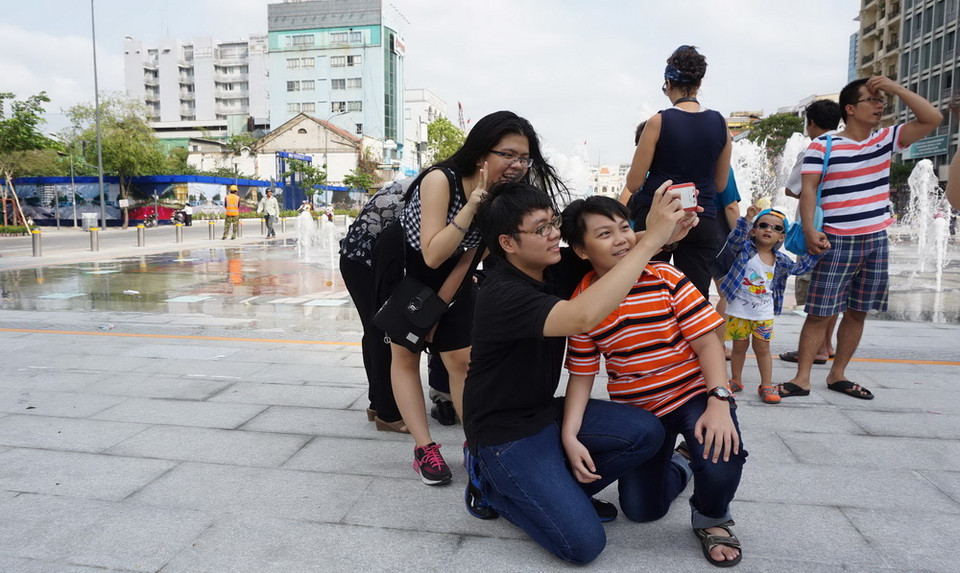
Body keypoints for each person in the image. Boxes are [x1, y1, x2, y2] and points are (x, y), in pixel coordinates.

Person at [465, 181, 695, 564]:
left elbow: (609, 245)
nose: (555, 234)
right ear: (508, 243)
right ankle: (491, 488)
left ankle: (559, 494)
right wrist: (653, 243)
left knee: (645, 431)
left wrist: (664, 229)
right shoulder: (501, 293)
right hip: (503, 435)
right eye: (541, 229)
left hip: (545, 412)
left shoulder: (550, 262)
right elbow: (582, 316)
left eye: (553, 222)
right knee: (584, 545)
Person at [560, 195, 745, 567]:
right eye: (605, 233)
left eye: (625, 228)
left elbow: (708, 341)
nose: (622, 239)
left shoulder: (665, 276)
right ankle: (681, 462)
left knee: (721, 453)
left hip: (695, 395)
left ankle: (712, 517)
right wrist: (570, 433)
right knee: (642, 510)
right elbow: (582, 375)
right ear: (581, 250)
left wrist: (719, 400)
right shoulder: (583, 303)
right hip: (641, 417)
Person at [393, 110, 568, 486]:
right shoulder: (442, 180)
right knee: (404, 354)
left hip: (456, 270)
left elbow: (487, 249)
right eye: (507, 154)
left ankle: (476, 445)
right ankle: (424, 448)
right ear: (480, 154)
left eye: (523, 157)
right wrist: (474, 203)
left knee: (460, 359)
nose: (517, 165)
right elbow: (431, 255)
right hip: (407, 265)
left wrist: (450, 296)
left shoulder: (506, 193)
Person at [779, 76, 942, 400]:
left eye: (882, 100)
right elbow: (807, 189)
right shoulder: (822, 146)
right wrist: (810, 229)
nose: (880, 105)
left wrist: (895, 89)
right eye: (873, 99)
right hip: (835, 238)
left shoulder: (884, 140)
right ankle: (802, 378)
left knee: (858, 310)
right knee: (820, 311)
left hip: (875, 239)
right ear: (850, 108)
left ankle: (838, 374)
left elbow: (932, 118)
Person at [622, 45, 732, 297]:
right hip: (699, 217)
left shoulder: (658, 122)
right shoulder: (720, 123)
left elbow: (635, 182)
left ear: (668, 82)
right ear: (699, 81)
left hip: (657, 215)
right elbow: (719, 184)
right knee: (694, 298)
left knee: (645, 291)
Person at [720, 206, 821, 404]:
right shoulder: (745, 250)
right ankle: (736, 379)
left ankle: (766, 384)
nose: (769, 230)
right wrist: (746, 219)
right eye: (763, 225)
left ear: (782, 237)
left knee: (762, 349)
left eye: (776, 228)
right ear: (753, 231)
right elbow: (733, 240)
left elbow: (800, 268)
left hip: (763, 314)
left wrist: (817, 254)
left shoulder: (781, 260)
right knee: (739, 348)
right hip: (739, 312)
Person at [779, 99, 842, 365]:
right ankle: (826, 345)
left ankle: (816, 348)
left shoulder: (813, 149)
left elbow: (793, 189)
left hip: (814, 227)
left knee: (814, 288)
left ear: (812, 123)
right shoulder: (847, 146)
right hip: (841, 227)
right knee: (833, 288)